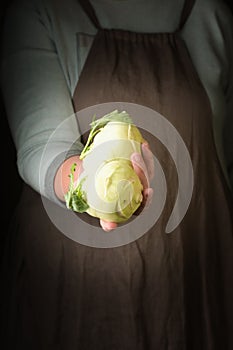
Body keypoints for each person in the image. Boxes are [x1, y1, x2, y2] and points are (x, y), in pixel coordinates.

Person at [0, 0, 233, 349]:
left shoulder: (210, 14)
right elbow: (41, 144)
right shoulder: (43, 10)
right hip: (73, 277)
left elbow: (222, 161)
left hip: (190, 275)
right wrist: (90, 187)